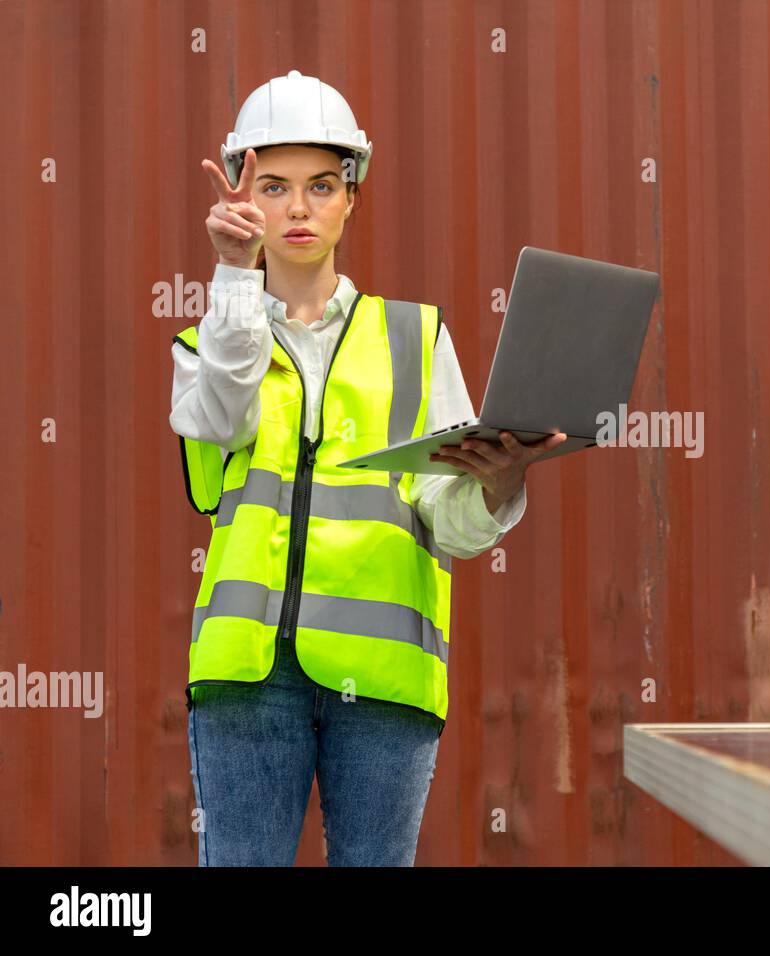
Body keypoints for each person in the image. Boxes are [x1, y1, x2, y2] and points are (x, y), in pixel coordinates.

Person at [168, 69, 564, 866]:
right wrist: (235, 278)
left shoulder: (417, 340)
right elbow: (222, 417)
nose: (298, 208)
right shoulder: (209, 345)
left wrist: (500, 481)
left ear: (352, 195)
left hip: (382, 685)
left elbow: (447, 524)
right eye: (273, 186)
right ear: (245, 198)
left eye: (321, 184)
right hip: (248, 679)